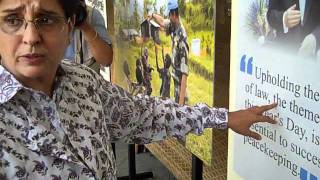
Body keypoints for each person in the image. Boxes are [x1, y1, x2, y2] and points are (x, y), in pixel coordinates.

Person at [0, 0, 277, 179]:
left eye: (46, 20)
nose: (31, 37)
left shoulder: (82, 84)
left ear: (69, 26)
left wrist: (224, 117)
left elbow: (146, 115)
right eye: (13, 20)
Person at [149, 0, 188, 104]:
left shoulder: (182, 38)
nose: (169, 18)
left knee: (181, 117)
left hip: (180, 89)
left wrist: (180, 105)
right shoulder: (173, 26)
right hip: (175, 87)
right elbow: (162, 21)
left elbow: (185, 74)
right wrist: (152, 15)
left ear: (174, 14)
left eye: (170, 15)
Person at [64, 0, 113, 72]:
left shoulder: (92, 15)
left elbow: (106, 61)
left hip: (88, 77)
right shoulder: (51, 16)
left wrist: (86, 27)